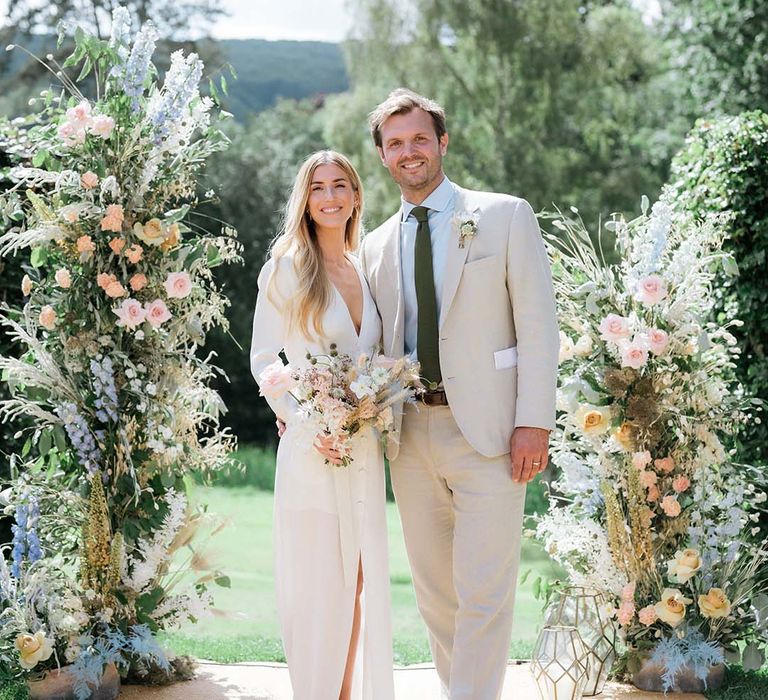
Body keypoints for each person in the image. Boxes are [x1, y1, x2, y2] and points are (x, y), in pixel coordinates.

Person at [359, 89, 559, 700]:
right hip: (411, 436)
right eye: (396, 144)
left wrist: (534, 421)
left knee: (484, 591)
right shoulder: (375, 245)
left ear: (442, 143)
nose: (409, 152)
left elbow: (538, 325)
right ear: (383, 158)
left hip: (492, 433)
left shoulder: (503, 215)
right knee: (436, 597)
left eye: (420, 139)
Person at [250, 150, 394, 700]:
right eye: (318, 188)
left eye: (340, 185)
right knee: (320, 584)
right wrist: (302, 418)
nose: (330, 196)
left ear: (356, 196)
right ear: (305, 202)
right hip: (315, 445)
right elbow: (265, 359)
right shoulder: (287, 268)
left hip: (362, 447)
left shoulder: (367, 267)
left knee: (357, 581)